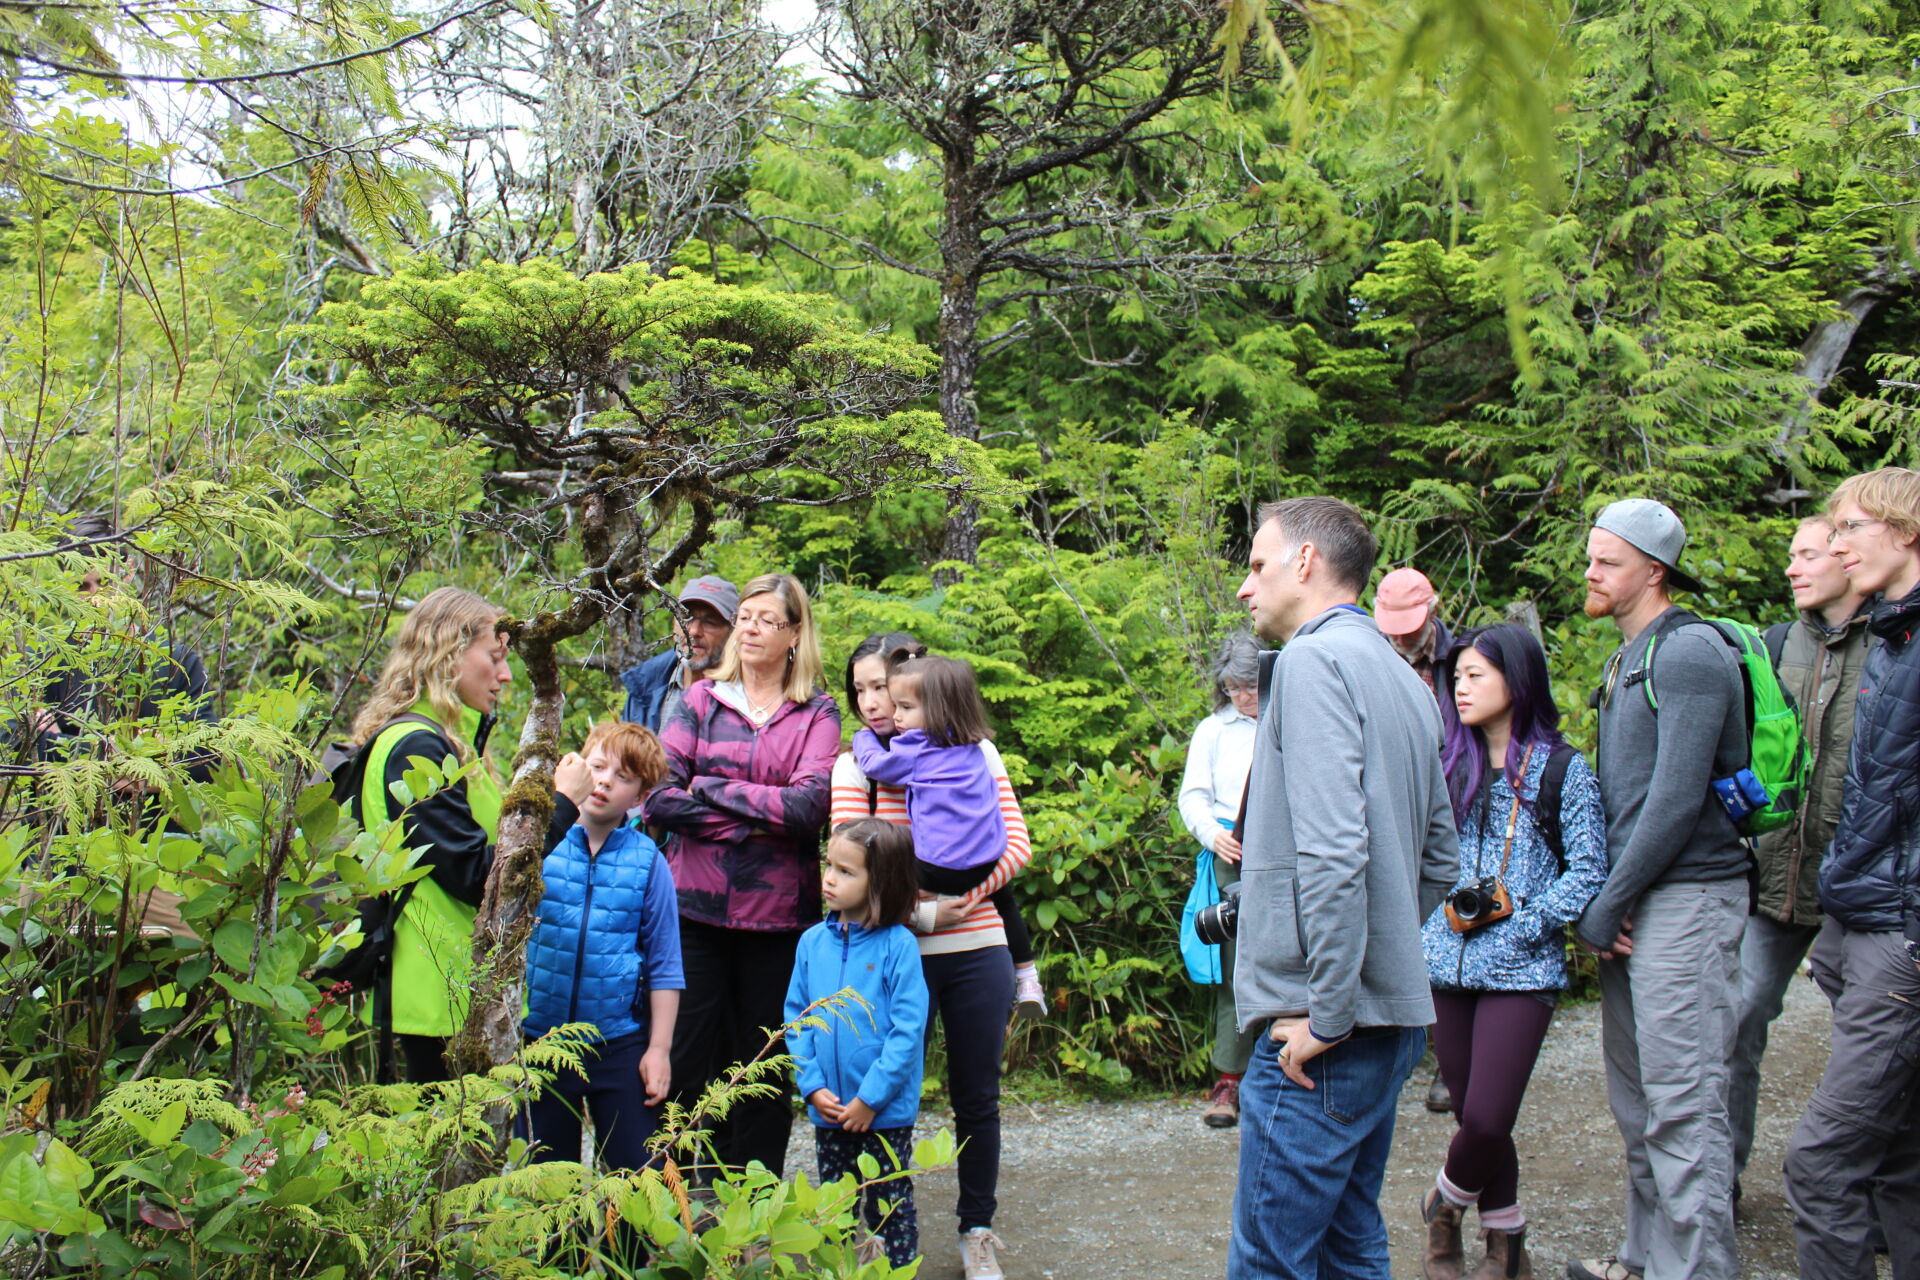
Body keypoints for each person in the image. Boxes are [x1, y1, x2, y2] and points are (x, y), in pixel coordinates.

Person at [1229, 496, 1459, 1280]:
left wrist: (1329, 1008)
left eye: (1257, 565)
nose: (1244, 587)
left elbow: (1332, 850)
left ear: (1305, 562)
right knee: (1348, 1241)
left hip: (1321, 1030)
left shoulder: (1312, 661)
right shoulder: (1405, 679)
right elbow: (1439, 862)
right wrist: (1382, 959)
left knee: (1272, 1262)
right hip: (1387, 1016)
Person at [1570, 499, 1749, 1280]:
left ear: (1653, 569)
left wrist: (1607, 904)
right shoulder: (1627, 659)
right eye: (1590, 558)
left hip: (1688, 899)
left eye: (1607, 561)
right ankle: (1645, 1259)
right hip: (1639, 902)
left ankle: (1699, 1270)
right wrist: (1610, 901)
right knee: (1639, 1102)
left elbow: (1676, 799)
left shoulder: (1688, 654)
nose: (1590, 573)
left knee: (1686, 1105)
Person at [830, 631, 1033, 1280]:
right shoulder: (854, 767)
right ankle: (880, 1232)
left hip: (977, 947)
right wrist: (922, 912)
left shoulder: (976, 751)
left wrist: (958, 902)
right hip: (892, 954)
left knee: (977, 1095)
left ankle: (977, 1230)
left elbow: (1018, 849)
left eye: (883, 688)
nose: (872, 702)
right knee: (884, 1094)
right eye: (860, 690)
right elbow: (845, 875)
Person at [1418, 625, 1608, 1280]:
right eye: (1458, 677)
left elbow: (1588, 871)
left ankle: (1443, 1206)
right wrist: (1427, 930)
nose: (1460, 688)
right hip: (1444, 965)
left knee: (1491, 1117)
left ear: (1516, 679)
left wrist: (1527, 923)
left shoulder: (1561, 769)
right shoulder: (1447, 764)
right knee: (1476, 1119)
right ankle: (1506, 1239)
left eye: (1476, 675)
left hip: (1522, 969)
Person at [348, 585, 591, 1082]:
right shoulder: (415, 746)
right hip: (432, 992)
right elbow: (483, 877)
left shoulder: (447, 744)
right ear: (448, 651)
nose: (505, 674)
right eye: (494, 656)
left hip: (458, 985)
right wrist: (563, 804)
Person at [641, 572, 840, 1177]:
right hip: (693, 918)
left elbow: (809, 809)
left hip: (778, 922)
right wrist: (751, 823)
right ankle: (660, 1212)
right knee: (678, 1062)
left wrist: (712, 787)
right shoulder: (701, 700)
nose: (750, 628)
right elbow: (657, 795)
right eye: (746, 617)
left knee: (759, 1072)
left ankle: (751, 1226)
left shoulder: (816, 712)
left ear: (794, 634)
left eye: (767, 620)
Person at [1784, 467, 1920, 1280]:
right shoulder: (1894, 635)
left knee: (1821, 1164)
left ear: (1906, 533)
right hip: (1864, 924)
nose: (1834, 546)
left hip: (1902, 943)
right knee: (1901, 1161)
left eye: (1851, 530)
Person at [1729, 515, 1869, 1193]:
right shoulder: (1774, 646)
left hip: (1863, 886)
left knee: (1874, 1050)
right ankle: (1716, 1183)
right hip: (1771, 875)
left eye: (1807, 554)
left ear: (1849, 558)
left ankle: (1871, 1195)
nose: (1791, 567)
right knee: (1739, 1018)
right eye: (1789, 555)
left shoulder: (1897, 647)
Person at [524, 720, 683, 1172]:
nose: (606, 781)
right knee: (548, 1188)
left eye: (624, 776)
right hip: (542, 1042)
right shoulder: (544, 842)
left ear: (639, 796)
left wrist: (659, 1049)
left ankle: (625, 1247)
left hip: (617, 1045)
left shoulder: (648, 862)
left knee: (634, 1177)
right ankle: (560, 1248)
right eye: (598, 766)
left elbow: (665, 965)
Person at [850, 656, 1039, 1007]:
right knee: (1007, 898)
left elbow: (876, 765)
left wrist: (862, 738)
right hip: (986, 861)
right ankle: (1027, 975)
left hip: (938, 874)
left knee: (883, 872)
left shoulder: (916, 748)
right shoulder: (972, 745)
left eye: (903, 705)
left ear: (937, 709)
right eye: (860, 690)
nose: (894, 715)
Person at [785, 818, 931, 1268]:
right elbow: (797, 1018)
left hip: (882, 1114)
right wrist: (809, 1085)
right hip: (829, 1111)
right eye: (830, 865)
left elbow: (908, 1032)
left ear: (880, 883)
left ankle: (895, 1274)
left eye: (846, 872)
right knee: (836, 1210)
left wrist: (870, 1099)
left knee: (890, 1209)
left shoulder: (898, 946)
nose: (830, 878)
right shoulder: (811, 943)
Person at [1373, 565, 1458, 1115]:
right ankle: (1403, 1050)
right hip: (1400, 808)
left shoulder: (1461, 658)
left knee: (1454, 934)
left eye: (1411, 625)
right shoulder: (1373, 653)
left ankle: (1453, 1064)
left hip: (1457, 797)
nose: (1401, 637)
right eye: (1392, 626)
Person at [1177, 631, 1263, 1129]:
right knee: (1234, 969)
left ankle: (1283, 1071)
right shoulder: (1214, 730)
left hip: (1287, 856)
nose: (1242, 697)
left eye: (1249, 686)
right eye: (1233, 688)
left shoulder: (1288, 720)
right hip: (1232, 855)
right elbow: (1193, 796)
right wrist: (1213, 836)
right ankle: (1229, 1079)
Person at [620, 575, 738, 734]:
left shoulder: (745, 695)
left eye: (710, 622)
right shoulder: (646, 685)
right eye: (685, 617)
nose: (694, 631)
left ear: (732, 633)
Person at [1374, 566, 1454, 693]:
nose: (1401, 641)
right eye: (1393, 631)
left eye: (1409, 631)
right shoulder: (1372, 657)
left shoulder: (1456, 661)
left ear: (1433, 612)